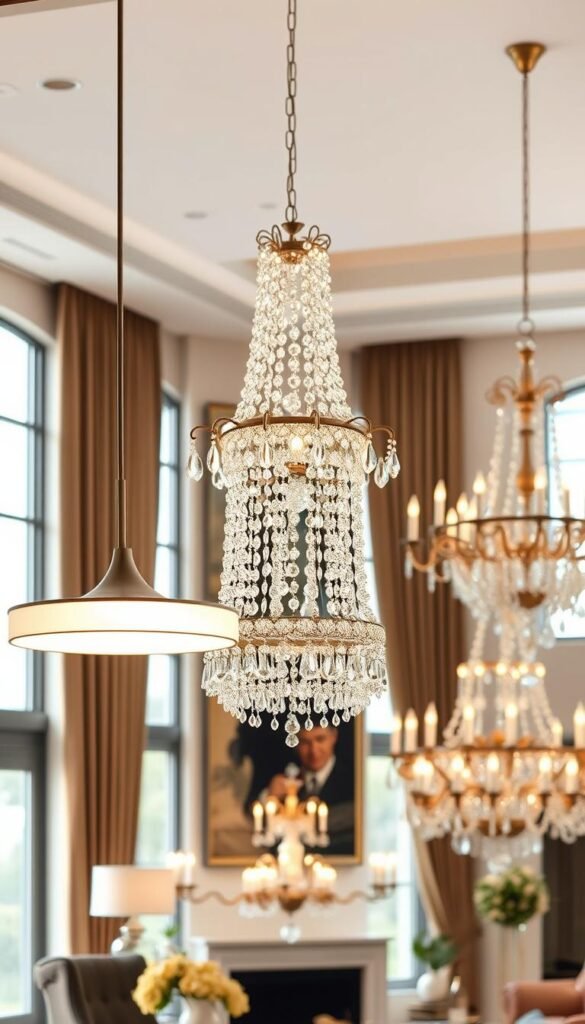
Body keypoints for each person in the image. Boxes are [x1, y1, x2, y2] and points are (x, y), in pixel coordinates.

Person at [262, 725, 355, 856]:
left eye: (320, 739)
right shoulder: (284, 781)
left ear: (334, 736)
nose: (313, 751)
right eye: (305, 742)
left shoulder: (354, 781)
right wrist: (270, 798)